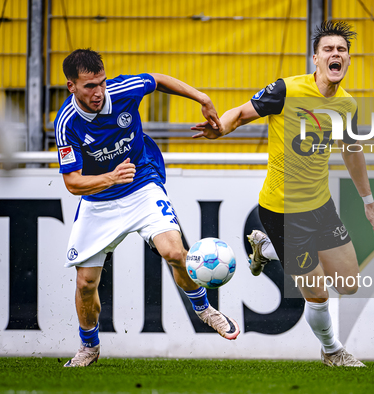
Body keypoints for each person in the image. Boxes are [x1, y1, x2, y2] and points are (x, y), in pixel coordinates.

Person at [192, 21, 374, 367]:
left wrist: (368, 201)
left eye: (341, 50)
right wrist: (222, 128)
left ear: (348, 60)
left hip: (321, 207)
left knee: (349, 283)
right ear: (315, 59)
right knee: (318, 293)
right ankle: (332, 350)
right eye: (328, 49)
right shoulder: (287, 91)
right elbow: (243, 112)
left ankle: (265, 247)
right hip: (282, 212)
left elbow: (351, 151)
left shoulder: (347, 105)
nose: (335, 54)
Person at [55, 49, 240, 368]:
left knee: (175, 252)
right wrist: (109, 178)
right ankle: (90, 346)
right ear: (71, 86)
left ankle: (204, 310)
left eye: (101, 82)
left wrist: (201, 97)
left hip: (142, 181)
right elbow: (72, 183)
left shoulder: (121, 90)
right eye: (89, 86)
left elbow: (157, 80)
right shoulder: (66, 124)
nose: (98, 92)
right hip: (100, 199)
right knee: (85, 283)